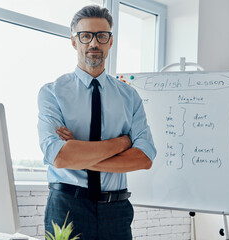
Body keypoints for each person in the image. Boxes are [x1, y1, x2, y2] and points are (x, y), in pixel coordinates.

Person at [37, 5, 156, 240]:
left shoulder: (129, 97)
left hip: (117, 211)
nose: (94, 43)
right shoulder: (52, 93)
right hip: (67, 207)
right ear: (74, 42)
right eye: (86, 36)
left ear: (110, 42)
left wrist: (79, 154)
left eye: (102, 36)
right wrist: (123, 142)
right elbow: (59, 156)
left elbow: (144, 158)